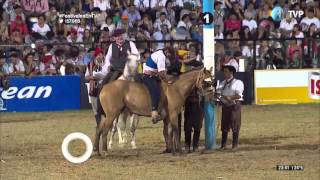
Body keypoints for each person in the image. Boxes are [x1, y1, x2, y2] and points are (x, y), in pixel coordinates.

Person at [95, 29, 139, 125]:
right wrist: (107, 67)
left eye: (121, 35)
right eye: (117, 36)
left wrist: (131, 61)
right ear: (114, 38)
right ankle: (100, 112)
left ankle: (149, 107)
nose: (120, 37)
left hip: (128, 71)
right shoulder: (112, 46)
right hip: (115, 71)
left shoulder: (130, 44)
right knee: (101, 87)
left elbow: (136, 54)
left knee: (142, 83)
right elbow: (107, 59)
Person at [216, 64, 244, 151]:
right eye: (224, 71)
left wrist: (230, 97)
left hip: (234, 105)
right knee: (224, 125)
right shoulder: (222, 83)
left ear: (231, 72)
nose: (224, 73)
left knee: (235, 124)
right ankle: (223, 145)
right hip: (225, 105)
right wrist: (218, 97)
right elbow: (218, 93)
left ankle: (234, 145)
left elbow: (239, 95)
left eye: (226, 71)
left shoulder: (238, 82)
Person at [142, 47, 172, 123]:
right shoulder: (161, 56)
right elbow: (162, 73)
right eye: (170, 54)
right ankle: (154, 111)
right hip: (149, 76)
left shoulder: (160, 53)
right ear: (167, 51)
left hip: (153, 75)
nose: (169, 56)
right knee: (155, 91)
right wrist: (167, 80)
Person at [85, 48, 105, 127]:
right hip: (93, 88)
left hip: (104, 88)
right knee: (95, 108)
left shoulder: (106, 64)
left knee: (105, 107)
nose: (100, 56)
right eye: (98, 55)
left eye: (101, 54)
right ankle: (99, 124)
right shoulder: (90, 64)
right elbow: (86, 77)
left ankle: (107, 123)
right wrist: (91, 77)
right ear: (95, 56)